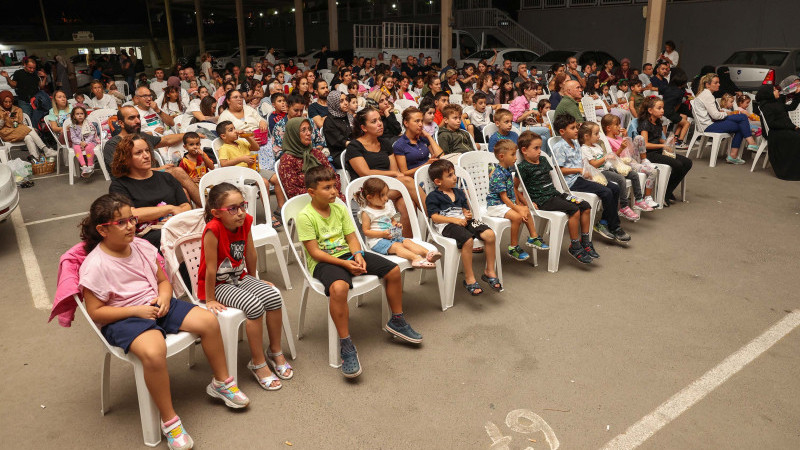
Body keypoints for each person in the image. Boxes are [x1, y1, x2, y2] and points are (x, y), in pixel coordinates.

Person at [79, 194, 248, 449]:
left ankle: (221, 383)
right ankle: (170, 421)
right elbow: (96, 312)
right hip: (123, 317)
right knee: (154, 352)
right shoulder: (95, 266)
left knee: (208, 321)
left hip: (157, 304)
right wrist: (136, 311)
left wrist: (165, 297)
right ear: (103, 230)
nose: (131, 226)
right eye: (122, 223)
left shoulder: (142, 246)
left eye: (131, 219)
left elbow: (162, 281)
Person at [297, 165, 422, 378]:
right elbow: (315, 252)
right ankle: (346, 344)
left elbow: (352, 238)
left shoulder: (339, 207)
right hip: (325, 262)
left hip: (348, 255)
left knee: (392, 270)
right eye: (327, 188)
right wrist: (345, 265)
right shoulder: (305, 216)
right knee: (339, 288)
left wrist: (357, 256)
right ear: (311, 192)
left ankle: (397, 320)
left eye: (334, 186)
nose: (334, 191)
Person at [199, 182, 293, 390]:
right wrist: (210, 298)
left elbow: (250, 252)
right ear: (216, 213)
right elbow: (210, 269)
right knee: (254, 306)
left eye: (242, 205)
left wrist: (253, 279)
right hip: (218, 285)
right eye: (232, 208)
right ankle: (258, 362)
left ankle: (275, 351)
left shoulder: (245, 221)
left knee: (273, 296)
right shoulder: (213, 229)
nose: (240, 212)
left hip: (239, 277)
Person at [516, 131, 596, 264]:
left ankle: (585, 242)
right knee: (574, 210)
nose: (539, 151)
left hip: (556, 195)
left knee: (585, 205)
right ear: (524, 150)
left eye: (540, 148)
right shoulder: (523, 167)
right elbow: (515, 188)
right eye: (536, 148)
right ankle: (575, 246)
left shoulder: (542, 160)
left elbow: (553, 178)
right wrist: (527, 203)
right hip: (543, 200)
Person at [426, 159, 501, 295]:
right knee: (468, 240)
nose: (454, 177)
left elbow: (465, 209)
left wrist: (467, 214)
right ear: (438, 182)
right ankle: (469, 278)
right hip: (447, 225)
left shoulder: (459, 192)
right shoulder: (433, 196)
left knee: (490, 235)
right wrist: (454, 220)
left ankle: (489, 271)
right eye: (449, 175)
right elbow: (435, 217)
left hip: (463, 222)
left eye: (454, 173)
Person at [552, 114, 631, 242]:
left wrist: (590, 172)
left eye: (576, 127)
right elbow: (558, 170)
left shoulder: (575, 144)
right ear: (562, 131)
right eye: (572, 128)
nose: (577, 130)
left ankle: (604, 222)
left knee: (615, 188)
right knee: (606, 191)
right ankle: (615, 227)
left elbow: (583, 164)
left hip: (581, 177)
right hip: (571, 182)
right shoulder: (559, 147)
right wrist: (580, 170)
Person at [103, 105, 201, 206]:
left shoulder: (141, 137)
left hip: (153, 179)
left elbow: (166, 140)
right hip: (132, 185)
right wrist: (159, 169)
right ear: (121, 123)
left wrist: (189, 135)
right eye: (132, 118)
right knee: (177, 172)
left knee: (183, 190)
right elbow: (123, 171)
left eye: (138, 117)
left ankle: (204, 211)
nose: (137, 121)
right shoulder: (113, 145)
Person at [109, 134, 192, 248]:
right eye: (138, 153)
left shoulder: (166, 178)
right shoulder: (119, 185)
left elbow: (186, 206)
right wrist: (169, 208)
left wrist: (174, 218)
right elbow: (131, 214)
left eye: (147, 151)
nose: (146, 156)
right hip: (147, 235)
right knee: (166, 236)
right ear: (126, 159)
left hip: (176, 226)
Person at [344, 108, 419, 231]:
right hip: (366, 193)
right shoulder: (354, 146)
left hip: (385, 189)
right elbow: (365, 173)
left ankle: (406, 241)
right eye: (374, 121)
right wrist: (394, 173)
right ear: (364, 128)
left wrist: (394, 173)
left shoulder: (385, 143)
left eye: (379, 119)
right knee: (407, 181)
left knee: (405, 203)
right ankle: (433, 215)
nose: (380, 124)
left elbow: (394, 172)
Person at [354, 177, 440, 268]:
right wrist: (382, 234)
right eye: (382, 195)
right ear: (370, 198)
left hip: (392, 236)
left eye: (386, 194)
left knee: (407, 241)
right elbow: (366, 231)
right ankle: (416, 258)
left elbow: (392, 220)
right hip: (378, 241)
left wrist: (396, 225)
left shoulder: (386, 207)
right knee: (398, 247)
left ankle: (428, 254)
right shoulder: (367, 212)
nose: (386, 198)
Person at [487, 139, 547, 261]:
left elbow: (511, 193)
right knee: (517, 217)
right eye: (513, 155)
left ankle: (533, 237)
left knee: (526, 210)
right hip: (495, 205)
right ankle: (513, 247)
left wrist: (519, 206)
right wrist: (517, 209)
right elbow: (503, 197)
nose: (516, 157)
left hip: (505, 204)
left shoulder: (508, 170)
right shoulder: (498, 174)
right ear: (502, 157)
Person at [216, 120, 285, 227]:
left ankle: (281, 209)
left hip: (254, 169)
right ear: (223, 136)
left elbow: (256, 147)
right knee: (264, 182)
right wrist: (241, 159)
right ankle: (269, 215)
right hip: (240, 174)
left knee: (276, 178)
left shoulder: (241, 142)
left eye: (234, 128)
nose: (235, 131)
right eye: (231, 130)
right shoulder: (224, 148)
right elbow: (223, 164)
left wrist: (247, 137)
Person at [577, 121, 643, 221]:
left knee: (632, 174)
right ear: (586, 136)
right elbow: (594, 164)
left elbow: (606, 160)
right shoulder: (584, 149)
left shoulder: (597, 146)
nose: (599, 136)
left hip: (607, 168)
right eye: (596, 134)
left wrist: (614, 159)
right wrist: (605, 158)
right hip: (599, 172)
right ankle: (624, 206)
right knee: (620, 179)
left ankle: (639, 200)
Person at [636, 97, 692, 204]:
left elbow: (658, 138)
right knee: (678, 165)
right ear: (650, 110)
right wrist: (662, 146)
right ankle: (665, 193)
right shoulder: (645, 124)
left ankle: (667, 190)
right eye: (659, 108)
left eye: (663, 108)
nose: (662, 110)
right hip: (649, 154)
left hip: (658, 151)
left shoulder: (657, 122)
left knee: (687, 162)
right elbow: (645, 144)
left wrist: (667, 142)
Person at [694, 73, 758, 164]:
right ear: (707, 85)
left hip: (709, 122)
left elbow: (714, 113)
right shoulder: (708, 95)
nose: (719, 85)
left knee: (742, 120)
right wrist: (727, 114)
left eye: (718, 82)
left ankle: (742, 149)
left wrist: (724, 113)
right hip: (708, 125)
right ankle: (747, 145)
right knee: (742, 122)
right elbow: (715, 116)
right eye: (715, 83)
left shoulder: (705, 94)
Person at [278, 117, 344, 200]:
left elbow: (334, 176)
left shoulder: (316, 153)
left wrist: (333, 190)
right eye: (303, 130)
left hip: (331, 196)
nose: (309, 133)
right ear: (293, 134)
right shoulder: (288, 160)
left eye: (309, 129)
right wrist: (321, 193)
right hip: (306, 202)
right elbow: (292, 192)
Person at [601, 114, 658, 209]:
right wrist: (621, 148)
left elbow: (630, 151)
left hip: (631, 158)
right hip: (623, 163)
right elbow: (612, 159)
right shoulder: (607, 140)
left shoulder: (619, 138)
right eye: (617, 125)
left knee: (639, 138)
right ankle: (647, 197)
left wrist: (626, 137)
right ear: (608, 128)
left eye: (619, 124)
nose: (619, 127)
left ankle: (644, 160)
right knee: (653, 171)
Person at [755, 84, 800, 180]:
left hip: (784, 129)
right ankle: (792, 170)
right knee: (796, 138)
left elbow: (792, 107)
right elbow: (772, 124)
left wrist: (797, 94)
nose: (777, 92)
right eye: (775, 90)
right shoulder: (766, 106)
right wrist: (792, 127)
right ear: (769, 93)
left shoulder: (776, 103)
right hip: (775, 133)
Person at [0, 90, 57, 162]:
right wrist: (3, 118)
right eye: (6, 102)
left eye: (10, 102)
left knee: (28, 137)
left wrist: (15, 120)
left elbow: (23, 124)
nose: (8, 104)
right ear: (1, 101)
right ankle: (45, 149)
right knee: (29, 128)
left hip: (18, 130)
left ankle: (35, 159)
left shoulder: (17, 109)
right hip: (7, 133)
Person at [393, 107, 443, 177]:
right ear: (406, 123)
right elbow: (404, 173)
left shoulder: (423, 139)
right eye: (417, 121)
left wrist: (428, 136)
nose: (420, 124)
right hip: (415, 179)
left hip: (431, 174)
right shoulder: (399, 145)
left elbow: (441, 156)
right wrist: (425, 165)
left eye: (421, 121)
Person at [661, 67, 691, 148]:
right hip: (670, 112)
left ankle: (676, 137)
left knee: (683, 117)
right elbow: (677, 106)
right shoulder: (680, 92)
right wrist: (674, 114)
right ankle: (680, 142)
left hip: (663, 110)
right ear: (682, 83)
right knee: (687, 123)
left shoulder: (667, 88)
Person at [322, 90, 353, 169]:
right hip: (340, 154)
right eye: (341, 101)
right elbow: (341, 142)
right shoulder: (329, 121)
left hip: (353, 149)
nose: (346, 103)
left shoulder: (348, 116)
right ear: (334, 103)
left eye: (346, 99)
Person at [68, 106, 100, 178]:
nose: (80, 115)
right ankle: (84, 166)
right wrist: (80, 143)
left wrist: (85, 142)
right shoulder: (72, 126)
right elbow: (73, 138)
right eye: (77, 114)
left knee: (88, 148)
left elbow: (92, 134)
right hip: (78, 143)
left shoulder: (89, 124)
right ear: (73, 116)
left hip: (90, 142)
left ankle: (90, 165)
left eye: (82, 114)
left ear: (85, 115)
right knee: (76, 148)